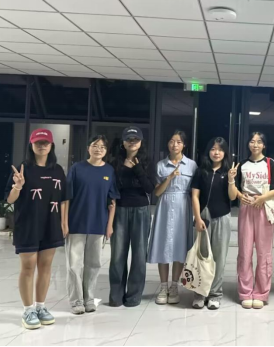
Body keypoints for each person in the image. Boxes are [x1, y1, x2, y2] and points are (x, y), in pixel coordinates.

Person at [6, 128, 67, 330]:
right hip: (28, 225)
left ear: (51, 145)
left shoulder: (57, 170)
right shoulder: (22, 169)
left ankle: (40, 307)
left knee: (46, 267)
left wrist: (64, 223)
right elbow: (10, 200)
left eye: (45, 143)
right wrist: (18, 186)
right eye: (38, 142)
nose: (42, 146)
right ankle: (28, 310)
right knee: (28, 267)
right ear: (31, 145)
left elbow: (64, 198)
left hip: (51, 224)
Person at [63, 135, 120, 315]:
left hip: (98, 223)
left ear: (106, 151)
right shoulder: (77, 168)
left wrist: (109, 225)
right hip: (76, 223)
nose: (98, 149)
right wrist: (64, 222)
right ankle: (76, 300)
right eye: (95, 145)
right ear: (88, 148)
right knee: (74, 265)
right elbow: (66, 197)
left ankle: (89, 298)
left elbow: (112, 201)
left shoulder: (109, 170)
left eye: (102, 147)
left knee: (94, 264)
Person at [229, 132, 274, 309]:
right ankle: (245, 292)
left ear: (264, 145)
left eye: (259, 142)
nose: (255, 144)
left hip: (264, 207)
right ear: (248, 144)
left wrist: (262, 198)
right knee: (244, 251)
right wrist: (238, 192)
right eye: (252, 141)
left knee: (264, 253)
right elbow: (233, 191)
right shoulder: (242, 164)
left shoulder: (270, 163)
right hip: (246, 208)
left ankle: (261, 292)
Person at [149, 130, 197, 305]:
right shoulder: (161, 165)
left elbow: (195, 191)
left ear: (184, 145)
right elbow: (157, 192)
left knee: (179, 246)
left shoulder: (191, 165)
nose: (174, 144)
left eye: (178, 142)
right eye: (171, 141)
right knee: (163, 246)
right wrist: (169, 178)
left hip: (183, 207)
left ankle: (174, 285)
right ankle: (163, 286)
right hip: (165, 206)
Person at [109, 127, 155, 307]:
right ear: (123, 142)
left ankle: (134, 295)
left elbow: (149, 188)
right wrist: (124, 170)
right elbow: (113, 187)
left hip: (141, 210)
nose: (132, 142)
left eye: (136, 139)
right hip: (120, 209)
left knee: (139, 255)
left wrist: (137, 169)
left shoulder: (147, 161)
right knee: (117, 254)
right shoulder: (115, 162)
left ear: (141, 142)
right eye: (129, 139)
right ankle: (116, 295)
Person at [191, 137, 236, 310]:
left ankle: (215, 294)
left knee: (219, 257)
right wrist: (197, 218)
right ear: (208, 151)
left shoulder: (229, 171)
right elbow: (195, 196)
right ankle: (200, 293)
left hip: (222, 217)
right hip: (203, 216)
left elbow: (232, 197)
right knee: (201, 255)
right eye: (213, 149)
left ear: (225, 153)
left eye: (220, 149)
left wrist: (231, 180)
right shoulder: (201, 171)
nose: (216, 152)